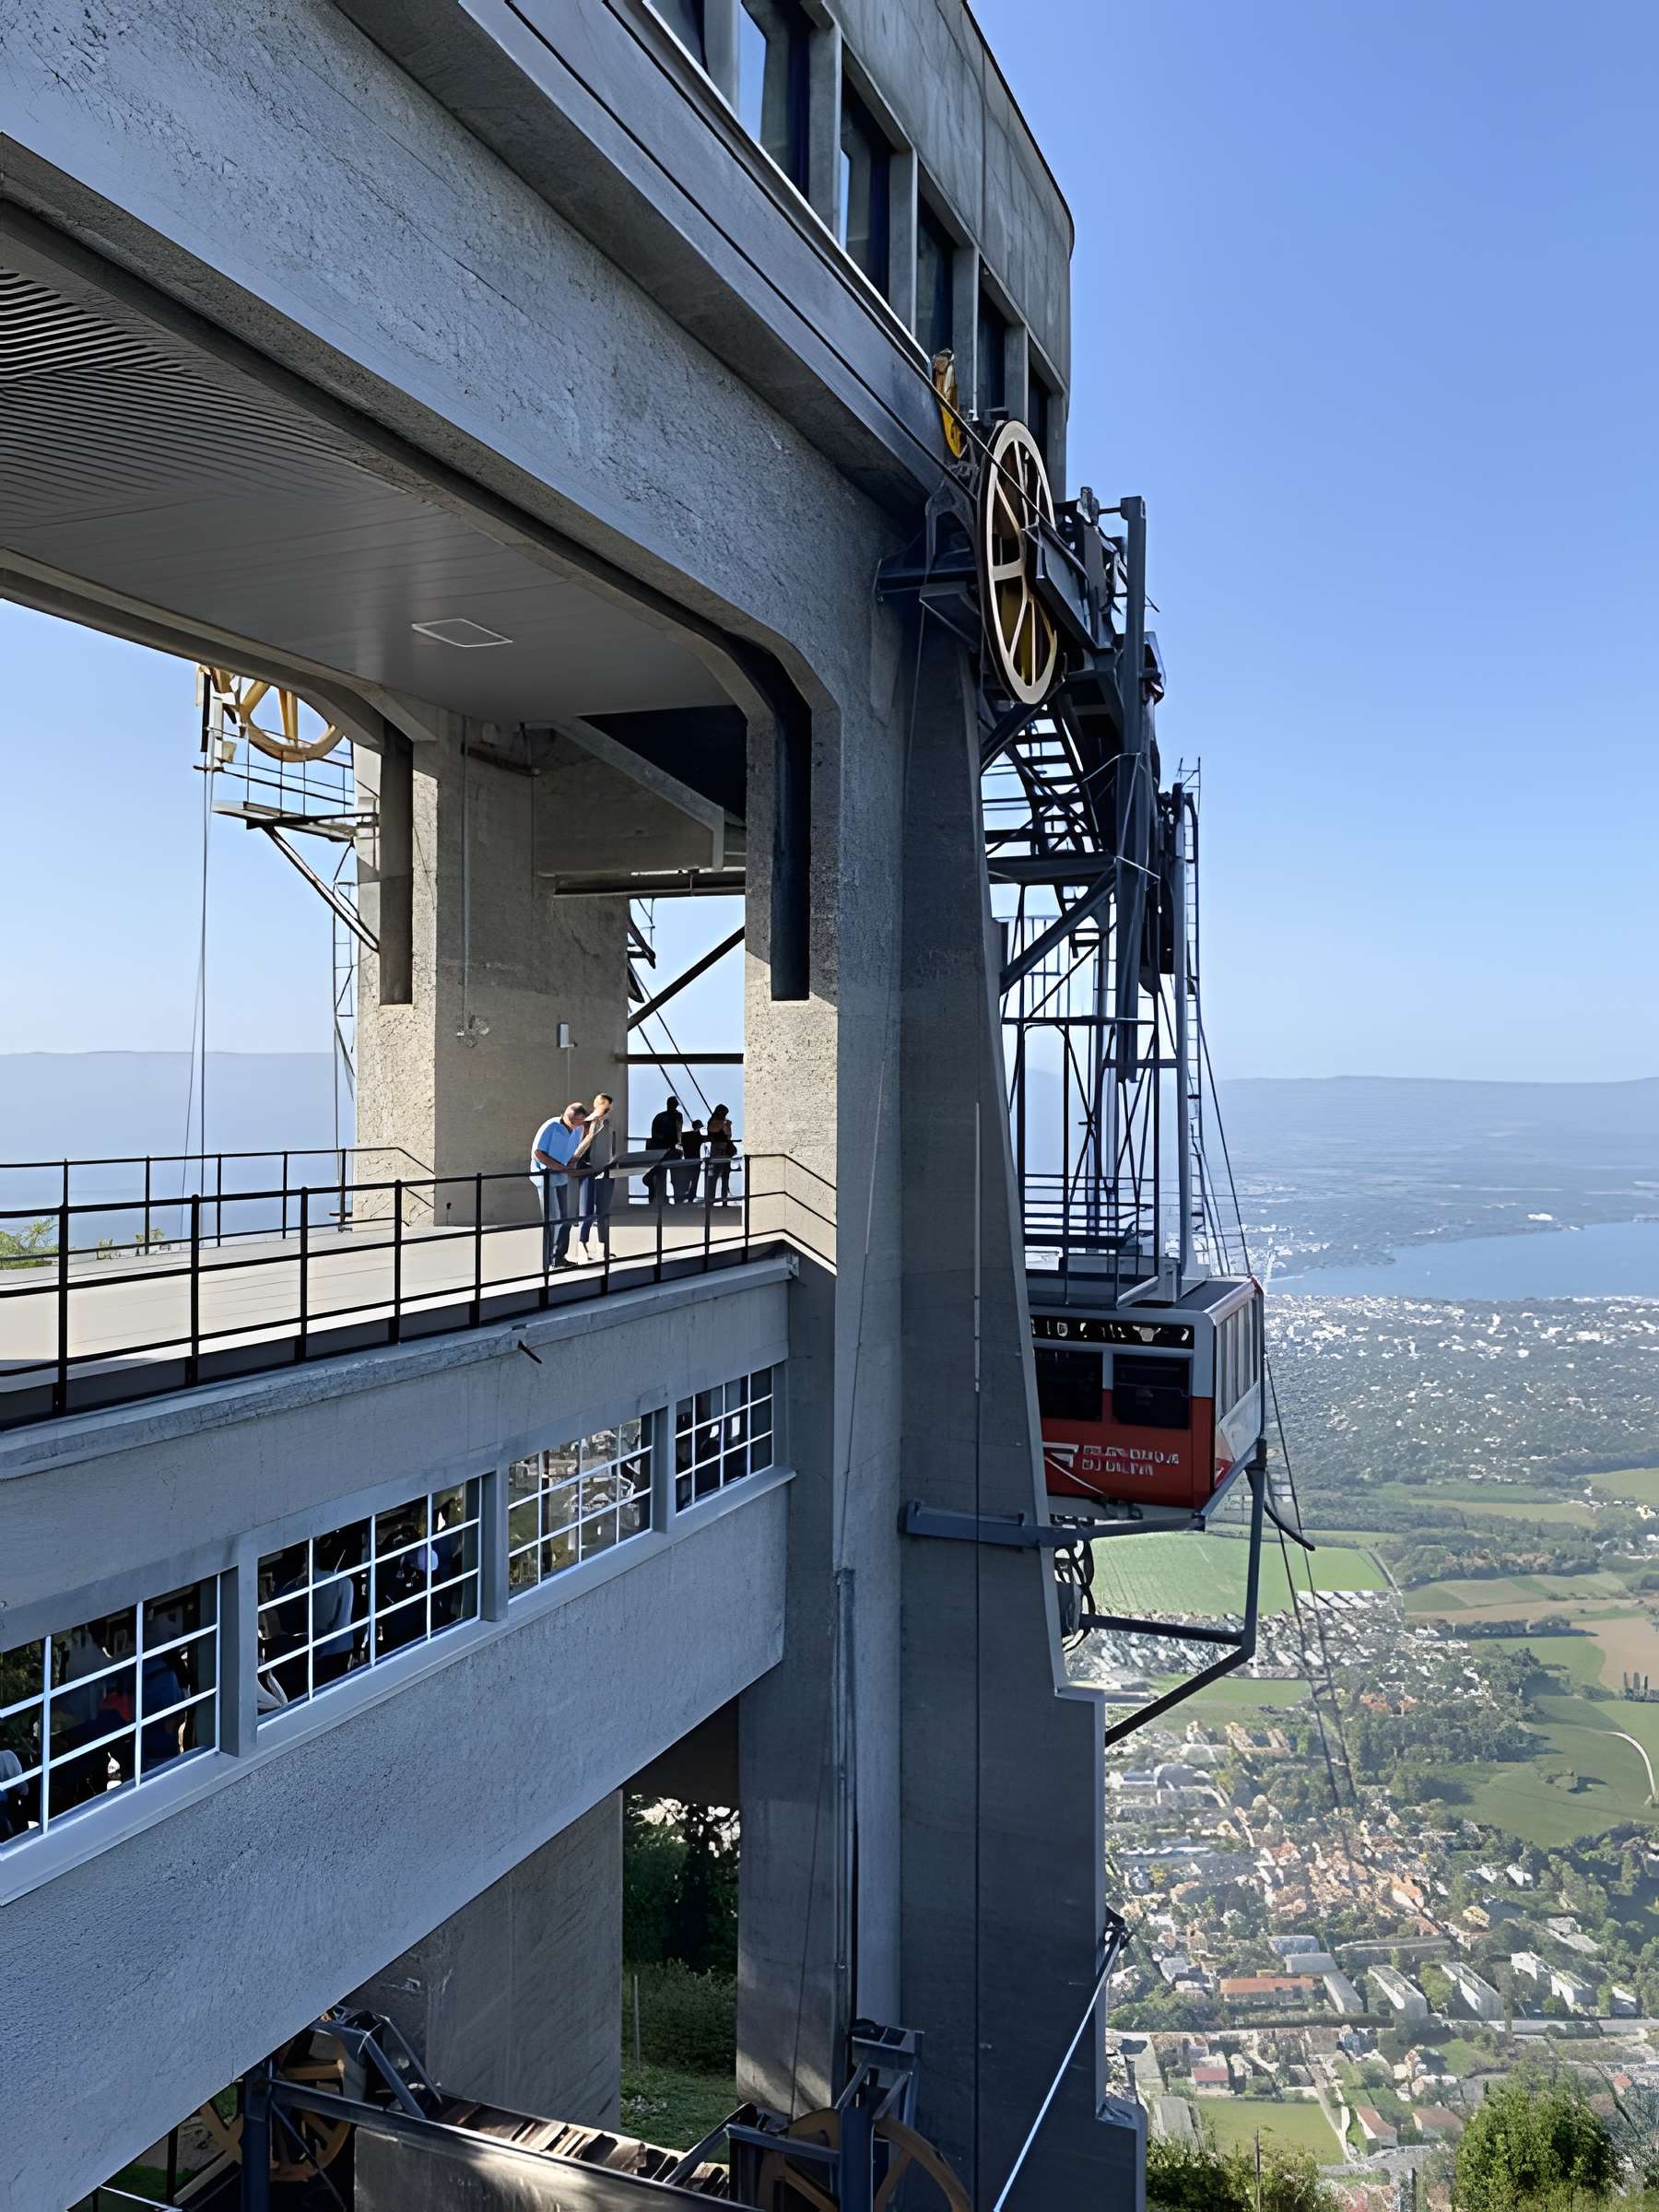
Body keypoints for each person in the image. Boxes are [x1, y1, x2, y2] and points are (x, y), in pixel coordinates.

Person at [531, 1100, 589, 1270]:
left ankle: (559, 1257)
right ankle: (548, 1260)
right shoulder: (551, 1126)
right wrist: (558, 1166)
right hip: (546, 1176)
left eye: (579, 1122)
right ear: (568, 1118)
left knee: (566, 1218)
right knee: (553, 1219)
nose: (577, 1126)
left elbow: (571, 1152)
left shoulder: (578, 1129)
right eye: (575, 1122)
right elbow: (538, 1153)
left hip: (561, 1176)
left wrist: (571, 1164)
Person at [576, 1091, 618, 1259]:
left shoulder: (609, 1124)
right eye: (604, 1108)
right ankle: (582, 1244)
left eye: (609, 1109)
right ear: (597, 1105)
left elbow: (612, 1148)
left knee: (603, 1211)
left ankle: (603, 1245)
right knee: (586, 1210)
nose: (607, 1111)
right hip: (589, 1170)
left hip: (606, 1170)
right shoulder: (587, 1124)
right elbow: (581, 1148)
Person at [645, 1094, 682, 1207]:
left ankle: (666, 1198)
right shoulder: (661, 1117)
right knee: (660, 1172)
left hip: (670, 1148)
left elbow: (678, 1132)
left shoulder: (676, 1116)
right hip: (661, 1148)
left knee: (668, 1173)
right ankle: (658, 1198)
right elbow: (655, 1133)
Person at [705, 1104, 736, 1205]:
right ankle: (711, 1199)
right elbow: (713, 1130)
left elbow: (728, 1135)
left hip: (725, 1149)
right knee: (714, 1175)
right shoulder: (713, 1122)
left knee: (725, 1175)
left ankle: (724, 1199)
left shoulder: (722, 1122)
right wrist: (724, 1124)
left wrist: (727, 1126)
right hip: (717, 1148)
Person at [674, 1119, 705, 1205]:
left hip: (687, 1160)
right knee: (694, 1180)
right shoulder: (699, 1137)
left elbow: (679, 1142)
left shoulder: (685, 1136)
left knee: (687, 1179)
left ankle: (683, 1197)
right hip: (696, 1160)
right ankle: (691, 1197)